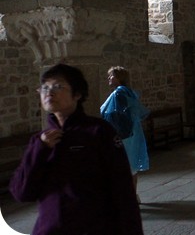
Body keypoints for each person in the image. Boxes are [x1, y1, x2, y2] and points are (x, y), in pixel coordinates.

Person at [10, 63, 143, 235]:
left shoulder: (98, 132)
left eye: (58, 86)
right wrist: (40, 150)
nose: (49, 92)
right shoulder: (40, 141)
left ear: (77, 94)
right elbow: (22, 192)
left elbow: (123, 192)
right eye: (44, 87)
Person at [101, 66, 150, 200]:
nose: (109, 78)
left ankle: (126, 197)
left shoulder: (118, 93)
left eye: (111, 76)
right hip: (132, 132)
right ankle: (133, 195)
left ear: (119, 78)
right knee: (131, 166)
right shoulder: (128, 92)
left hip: (122, 134)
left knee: (123, 165)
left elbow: (115, 114)